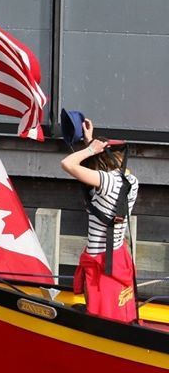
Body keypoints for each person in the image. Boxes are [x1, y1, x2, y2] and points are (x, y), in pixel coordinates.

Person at [60, 117, 139, 322]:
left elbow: (67, 164)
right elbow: (99, 171)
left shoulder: (107, 181)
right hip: (118, 255)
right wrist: (90, 141)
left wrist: (89, 150)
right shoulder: (131, 181)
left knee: (100, 317)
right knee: (121, 310)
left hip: (100, 262)